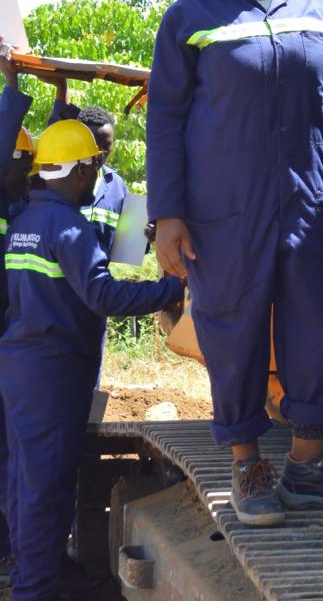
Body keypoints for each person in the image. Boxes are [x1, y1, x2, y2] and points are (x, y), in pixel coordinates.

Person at [146, 0, 323, 528]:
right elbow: (166, 120)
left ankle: (304, 464)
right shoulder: (190, 18)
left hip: (313, 204)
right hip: (223, 214)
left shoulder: (322, 11)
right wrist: (167, 216)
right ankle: (246, 461)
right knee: (232, 330)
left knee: (321, 325)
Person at [0, 119, 183, 601]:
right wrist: (172, 288)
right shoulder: (68, 226)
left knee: (24, 479)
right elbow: (103, 294)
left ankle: (44, 572)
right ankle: (35, 589)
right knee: (45, 487)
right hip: (54, 373)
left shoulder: (23, 222)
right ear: (80, 172)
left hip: (21, 366)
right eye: (92, 168)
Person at [0, 67, 36, 584]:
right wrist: (12, 86)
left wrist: (61, 97)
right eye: (24, 164)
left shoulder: (23, 207)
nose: (31, 171)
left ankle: (13, 547)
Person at [49, 85, 128, 258]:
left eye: (106, 146)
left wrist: (147, 235)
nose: (99, 153)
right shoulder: (61, 177)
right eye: (93, 145)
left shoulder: (118, 187)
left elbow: (127, 248)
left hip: (98, 281)